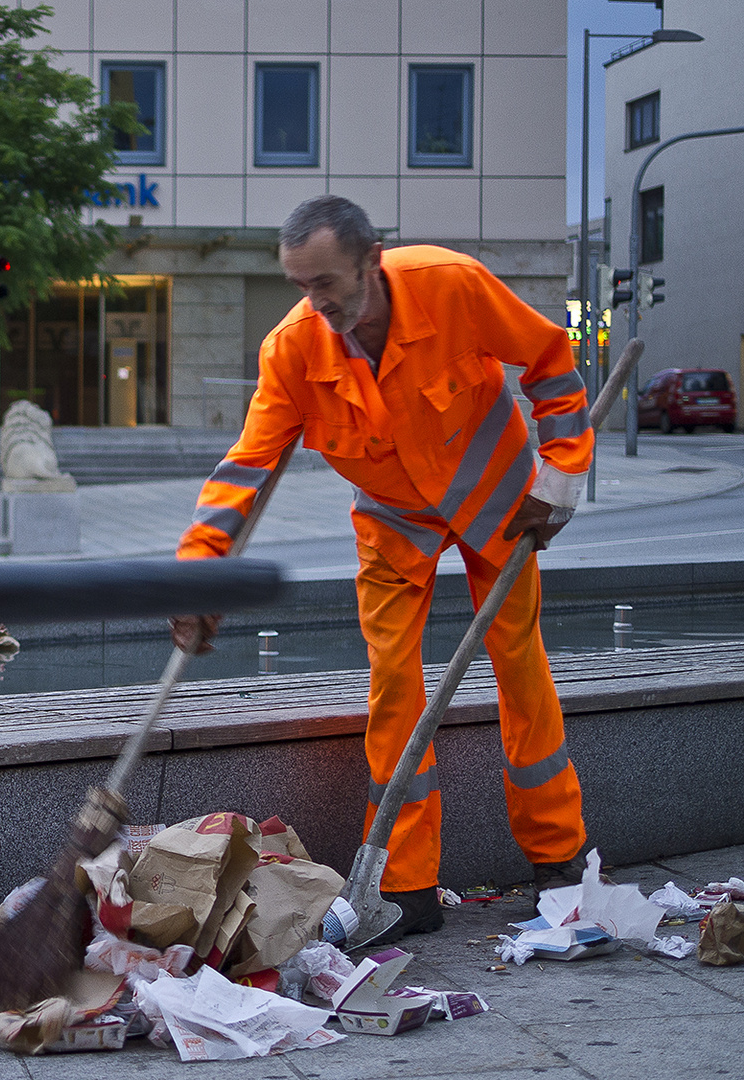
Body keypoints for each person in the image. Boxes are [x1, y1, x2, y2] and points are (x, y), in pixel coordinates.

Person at [172, 195, 594, 942]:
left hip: (496, 499)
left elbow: (551, 363)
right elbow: (245, 468)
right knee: (392, 684)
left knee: (517, 664)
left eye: (326, 283)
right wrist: (200, 574)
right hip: (392, 517)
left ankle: (558, 856)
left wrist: (555, 485)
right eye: (301, 286)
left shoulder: (451, 284)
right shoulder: (294, 348)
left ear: (371, 260)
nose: (316, 302)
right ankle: (404, 884)